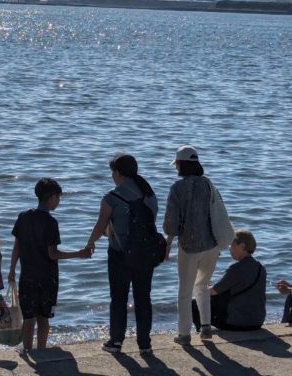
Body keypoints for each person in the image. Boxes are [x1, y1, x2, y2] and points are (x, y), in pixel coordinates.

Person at [85, 154, 159, 354]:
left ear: (117, 172)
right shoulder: (149, 195)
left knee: (118, 298)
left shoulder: (112, 197)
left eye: (112, 172)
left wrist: (90, 243)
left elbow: (101, 227)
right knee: (143, 297)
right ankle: (145, 344)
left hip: (120, 255)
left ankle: (116, 342)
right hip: (145, 254)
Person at [8, 178, 91, 350]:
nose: (59, 201)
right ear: (52, 197)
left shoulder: (23, 217)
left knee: (28, 318)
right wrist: (79, 254)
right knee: (43, 318)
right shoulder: (51, 222)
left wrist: (11, 270)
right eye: (58, 198)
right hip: (47, 278)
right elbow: (52, 254)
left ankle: (28, 350)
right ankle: (42, 350)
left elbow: (17, 247)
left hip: (27, 276)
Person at [163, 145, 220, 345]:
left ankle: (184, 334)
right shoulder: (208, 184)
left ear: (180, 164)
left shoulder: (177, 188)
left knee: (185, 291)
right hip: (212, 244)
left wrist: (168, 242)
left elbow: (171, 222)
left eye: (176, 163)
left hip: (189, 245)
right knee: (202, 284)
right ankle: (205, 326)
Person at [192, 230, 266, 331]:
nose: (229, 249)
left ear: (242, 246)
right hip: (257, 321)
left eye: (232, 245)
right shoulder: (261, 268)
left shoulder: (237, 268)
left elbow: (213, 292)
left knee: (193, 303)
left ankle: (202, 331)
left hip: (238, 323)